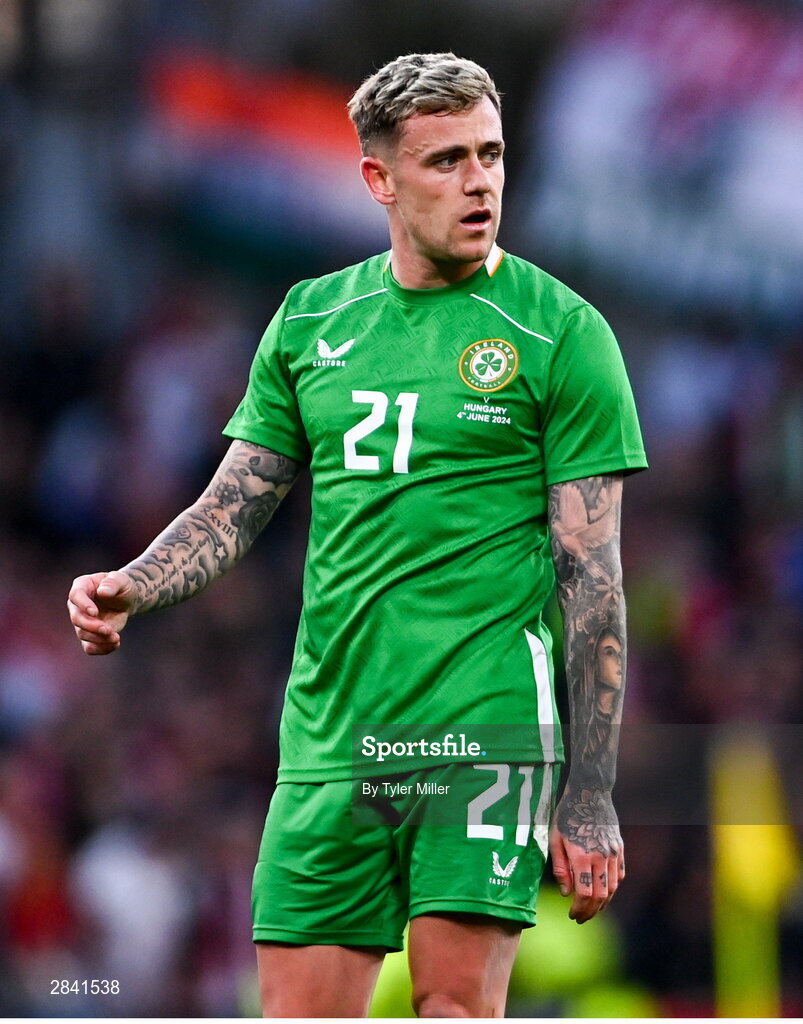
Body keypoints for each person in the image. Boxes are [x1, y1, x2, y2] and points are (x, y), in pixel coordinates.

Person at [68, 53, 648, 1018]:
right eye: (446, 160)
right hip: (333, 737)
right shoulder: (311, 319)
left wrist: (588, 792)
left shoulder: (561, 333)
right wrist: (136, 581)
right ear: (378, 178)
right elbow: (234, 503)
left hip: (485, 727)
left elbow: (594, 578)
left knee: (452, 1009)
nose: (479, 182)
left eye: (491, 154)